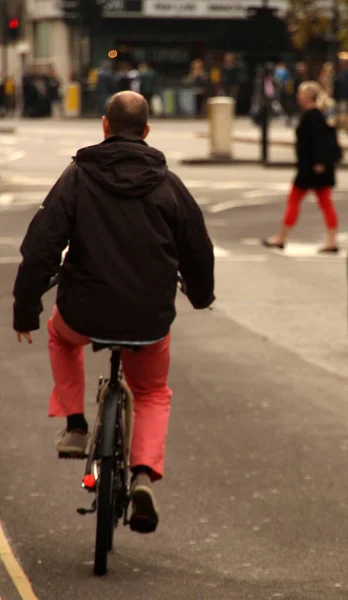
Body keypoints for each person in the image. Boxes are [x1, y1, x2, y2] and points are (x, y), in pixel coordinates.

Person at [13, 91, 215, 534]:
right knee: (152, 391)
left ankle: (76, 424)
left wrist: (25, 308)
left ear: (105, 125)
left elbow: (42, 246)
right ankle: (142, 473)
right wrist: (201, 296)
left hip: (83, 310)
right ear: (146, 131)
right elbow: (198, 249)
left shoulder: (78, 177)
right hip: (149, 317)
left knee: (59, 335)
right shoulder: (168, 184)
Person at [262, 82, 339, 253]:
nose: (298, 97)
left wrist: (318, 163)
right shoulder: (318, 115)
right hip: (315, 167)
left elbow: (318, 142)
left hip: (312, 168)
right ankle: (330, 240)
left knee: (296, 200)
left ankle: (282, 238)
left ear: (309, 97)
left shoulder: (314, 116)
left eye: (301, 94)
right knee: (324, 203)